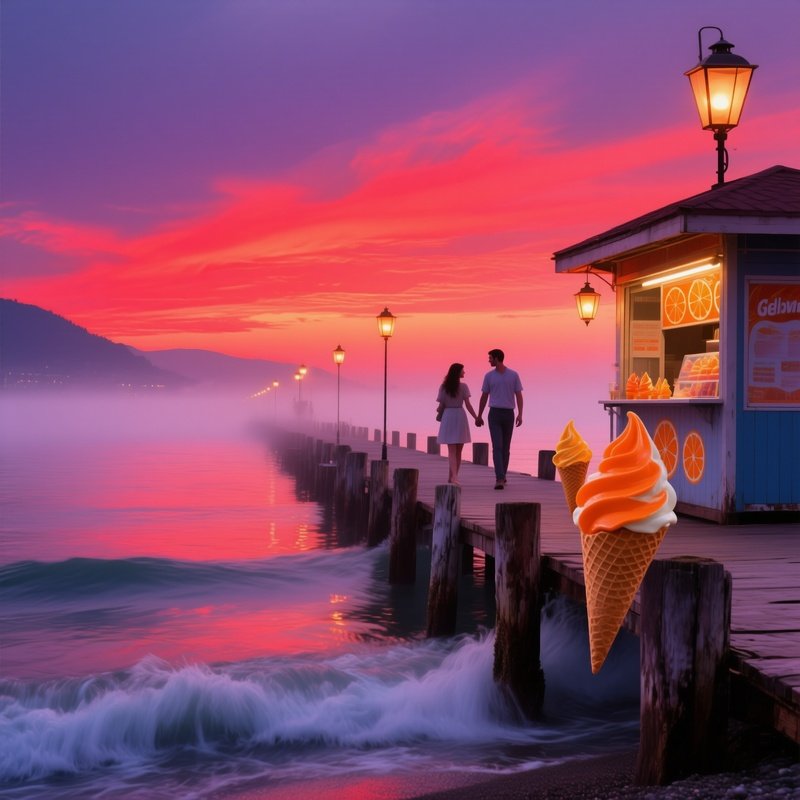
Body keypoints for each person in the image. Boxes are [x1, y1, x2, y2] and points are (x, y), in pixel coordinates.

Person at [475, 348, 523, 489]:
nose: (489, 360)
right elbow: (484, 396)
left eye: (490, 358)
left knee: (506, 448)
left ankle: (503, 474)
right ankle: (500, 478)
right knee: (497, 446)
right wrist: (479, 415)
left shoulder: (513, 375)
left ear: (497, 358)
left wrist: (520, 414)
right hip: (494, 413)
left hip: (509, 414)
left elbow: (518, 395)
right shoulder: (489, 376)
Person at [436, 363, 479, 484]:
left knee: (453, 451)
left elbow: (441, 405)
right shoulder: (463, 387)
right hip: (459, 415)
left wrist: (439, 410)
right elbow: (468, 405)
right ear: (457, 372)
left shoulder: (444, 387)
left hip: (449, 416)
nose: (464, 372)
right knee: (457, 451)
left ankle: (452, 476)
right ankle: (455, 476)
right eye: (462, 371)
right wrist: (476, 417)